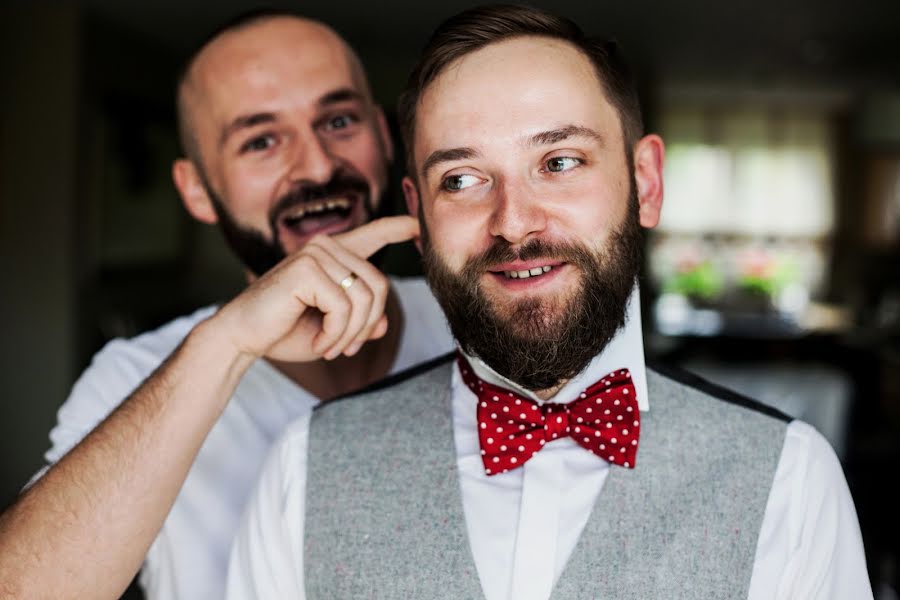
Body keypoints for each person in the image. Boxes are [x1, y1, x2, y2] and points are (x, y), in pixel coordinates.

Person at [227, 5, 873, 599]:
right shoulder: (304, 466)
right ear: (419, 216)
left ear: (645, 184)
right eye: (462, 179)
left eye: (560, 162)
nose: (513, 222)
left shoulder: (791, 478)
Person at [0, 10, 451, 600]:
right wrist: (226, 343)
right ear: (195, 190)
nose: (316, 167)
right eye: (261, 141)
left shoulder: (478, 326)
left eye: (339, 121)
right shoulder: (133, 376)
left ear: (385, 138)